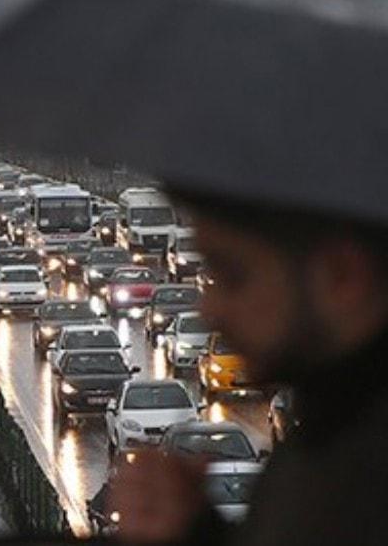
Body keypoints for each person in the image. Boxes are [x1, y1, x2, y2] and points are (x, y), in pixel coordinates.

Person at [108, 191, 388, 545]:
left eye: (235, 276)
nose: (210, 309)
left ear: (342, 278)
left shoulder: (354, 473)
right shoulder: (326, 433)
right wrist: (199, 530)